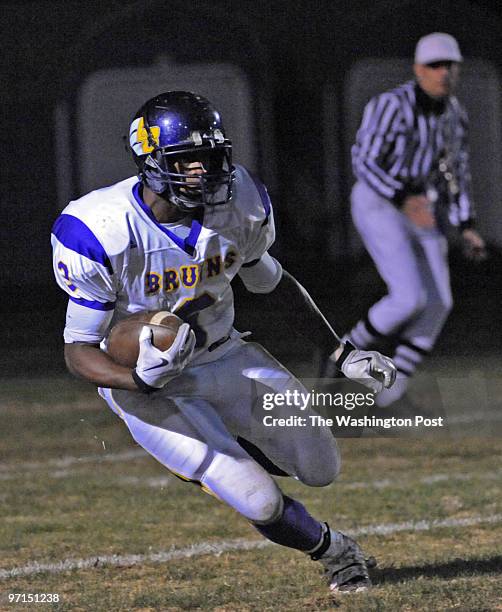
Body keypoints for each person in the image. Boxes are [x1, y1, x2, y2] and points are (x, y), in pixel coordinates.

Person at [51, 91, 396, 595]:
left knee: (322, 466)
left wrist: (343, 353)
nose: (202, 172)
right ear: (149, 161)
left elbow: (272, 282)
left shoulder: (241, 204)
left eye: (210, 158)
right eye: (185, 160)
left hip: (225, 353)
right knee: (258, 500)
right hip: (148, 386)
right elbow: (78, 350)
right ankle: (335, 550)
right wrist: (133, 377)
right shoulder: (99, 228)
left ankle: (232, 447)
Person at [337, 33, 486, 412]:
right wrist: (402, 196)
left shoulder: (455, 115)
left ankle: (391, 389)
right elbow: (364, 161)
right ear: (419, 69)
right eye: (435, 66)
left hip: (418, 204)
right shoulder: (391, 105)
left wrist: (465, 223)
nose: (444, 73)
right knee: (408, 298)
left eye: (450, 66)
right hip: (379, 199)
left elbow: (457, 172)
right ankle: (340, 356)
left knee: (438, 302)